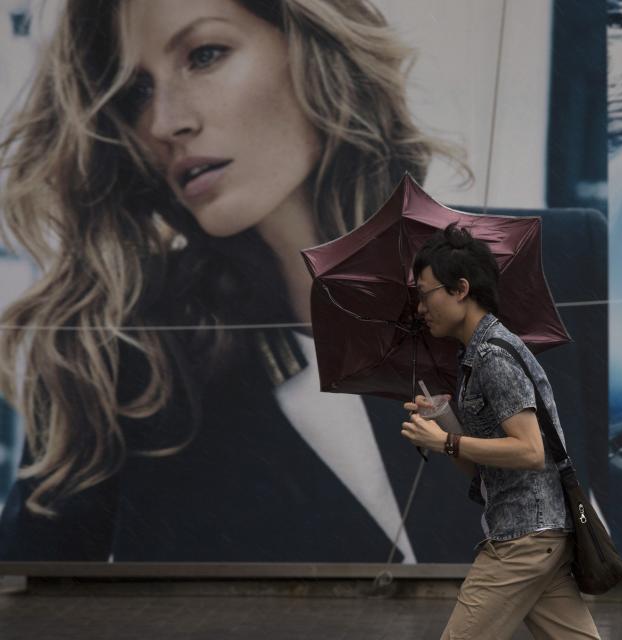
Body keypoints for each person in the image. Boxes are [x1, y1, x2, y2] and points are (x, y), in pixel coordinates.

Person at [0, 0, 463, 561]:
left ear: (312, 44)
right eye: (136, 93)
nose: (165, 123)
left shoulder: (550, 269)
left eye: (204, 55)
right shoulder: (114, 361)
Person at [401, 224, 600, 640]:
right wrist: (444, 421)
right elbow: (483, 470)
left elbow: (530, 451)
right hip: (537, 534)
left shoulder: (492, 355)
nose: (420, 307)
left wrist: (447, 441)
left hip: (521, 540)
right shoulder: (475, 357)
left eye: (424, 292)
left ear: (460, 289)